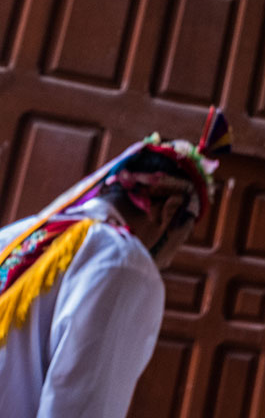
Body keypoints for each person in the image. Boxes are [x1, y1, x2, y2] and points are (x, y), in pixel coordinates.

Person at [0, 108, 232, 418]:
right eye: (184, 234)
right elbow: (81, 404)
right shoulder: (123, 263)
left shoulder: (19, 235)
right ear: (169, 211)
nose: (175, 253)